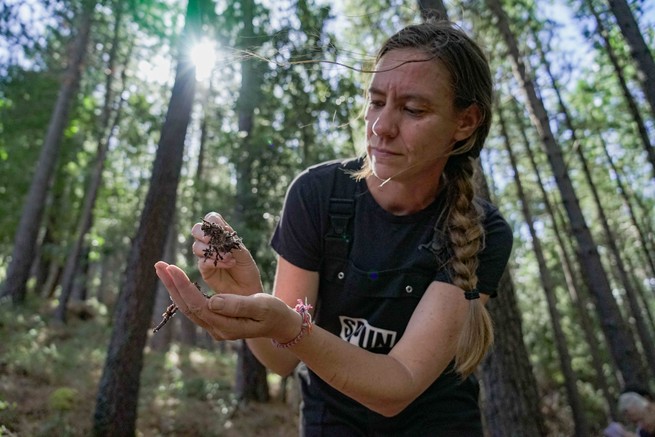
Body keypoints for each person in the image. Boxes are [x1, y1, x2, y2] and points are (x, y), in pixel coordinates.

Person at [155, 19, 513, 436]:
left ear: (465, 122)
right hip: (331, 423)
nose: (381, 127)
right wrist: (248, 295)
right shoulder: (318, 194)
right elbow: (281, 360)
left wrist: (291, 327)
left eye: (413, 109)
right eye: (376, 101)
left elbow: (398, 385)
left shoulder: (481, 231)